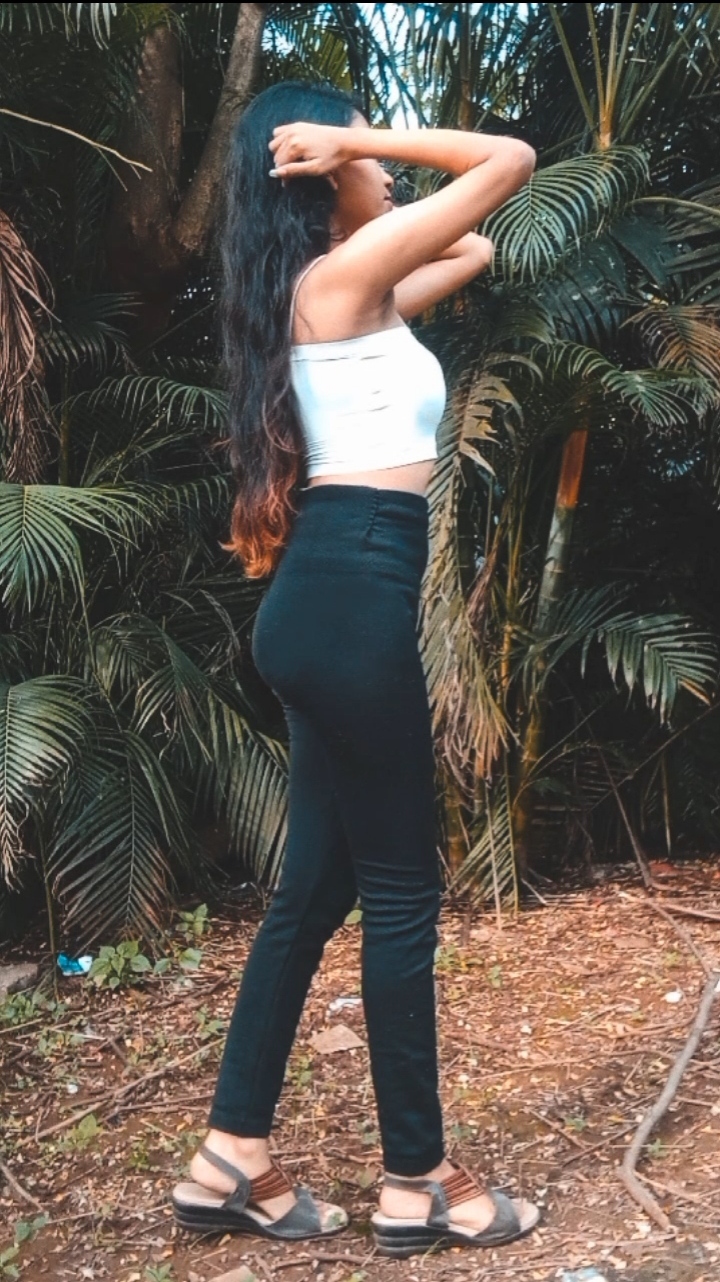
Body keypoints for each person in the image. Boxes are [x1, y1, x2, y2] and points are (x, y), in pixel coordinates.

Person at [171, 79, 539, 1259]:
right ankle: (419, 1178)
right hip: (352, 599)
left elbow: (475, 241)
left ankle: (230, 1154)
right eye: (362, 143)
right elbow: (510, 159)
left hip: (324, 606)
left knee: (314, 893)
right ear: (325, 165)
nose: (381, 160)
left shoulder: (346, 287)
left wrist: (358, 180)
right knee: (401, 893)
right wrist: (357, 142)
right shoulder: (336, 284)